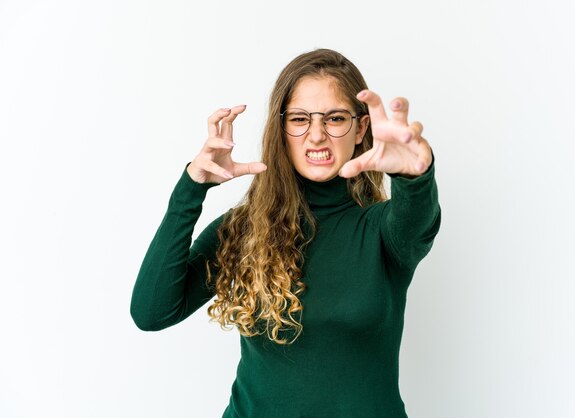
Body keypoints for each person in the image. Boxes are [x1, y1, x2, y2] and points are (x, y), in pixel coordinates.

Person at [131, 48, 441, 418]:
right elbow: (152, 312)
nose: (316, 136)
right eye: (299, 119)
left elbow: (417, 217)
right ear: (281, 129)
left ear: (361, 129)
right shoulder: (245, 229)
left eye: (335, 118)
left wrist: (414, 177)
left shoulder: (384, 232)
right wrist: (191, 188)